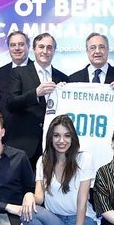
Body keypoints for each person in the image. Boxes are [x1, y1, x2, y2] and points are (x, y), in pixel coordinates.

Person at [32, 115, 99, 225]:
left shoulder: (84, 158)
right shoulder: (43, 161)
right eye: (56, 135)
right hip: (57, 222)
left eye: (67, 135)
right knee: (26, 211)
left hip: (83, 223)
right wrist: (28, 196)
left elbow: (82, 202)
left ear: (73, 138)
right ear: (50, 138)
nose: (61, 140)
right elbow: (39, 198)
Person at [6, 33, 68, 166]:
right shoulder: (18, 73)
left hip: (54, 146)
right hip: (24, 145)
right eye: (41, 47)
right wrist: (36, 93)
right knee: (23, 186)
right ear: (34, 49)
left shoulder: (63, 77)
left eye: (49, 47)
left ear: (54, 51)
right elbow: (11, 103)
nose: (45, 51)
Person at [68, 32, 114, 123]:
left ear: (108, 50)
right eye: (92, 48)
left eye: (101, 47)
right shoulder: (73, 79)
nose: (97, 51)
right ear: (87, 52)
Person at [0, 30, 31, 117]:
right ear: (8, 48)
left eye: (21, 44)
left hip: (33, 127)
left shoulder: (38, 70)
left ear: (28, 46)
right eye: (13, 45)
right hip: (6, 127)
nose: (17, 48)